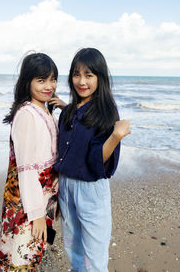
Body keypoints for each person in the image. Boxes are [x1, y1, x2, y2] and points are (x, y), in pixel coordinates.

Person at [54, 48, 131, 272]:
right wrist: (64, 106)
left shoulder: (106, 112)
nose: (81, 81)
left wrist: (116, 136)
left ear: (100, 77)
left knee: (95, 256)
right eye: (76, 74)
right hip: (66, 186)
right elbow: (73, 135)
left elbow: (96, 161)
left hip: (90, 189)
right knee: (73, 249)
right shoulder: (70, 111)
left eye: (89, 75)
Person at [0, 52, 65, 271]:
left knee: (32, 252)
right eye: (41, 80)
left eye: (52, 79)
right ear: (28, 81)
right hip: (30, 199)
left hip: (43, 196)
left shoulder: (45, 109)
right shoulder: (26, 114)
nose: (49, 86)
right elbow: (25, 170)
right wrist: (37, 215)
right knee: (21, 253)